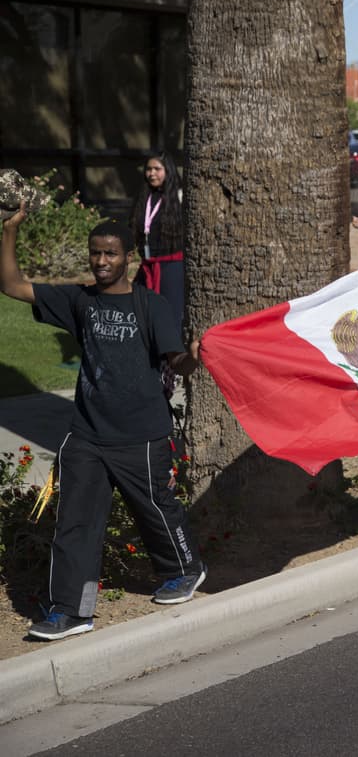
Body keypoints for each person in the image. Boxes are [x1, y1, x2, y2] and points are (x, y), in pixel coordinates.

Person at [2, 208, 206, 640]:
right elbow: (11, 285)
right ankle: (72, 611)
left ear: (128, 257)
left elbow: (178, 363)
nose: (100, 261)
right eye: (95, 254)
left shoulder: (151, 305)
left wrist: (194, 355)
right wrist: (11, 230)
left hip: (142, 435)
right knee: (75, 522)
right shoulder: (80, 299)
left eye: (110, 254)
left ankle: (184, 569)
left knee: (155, 510)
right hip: (87, 434)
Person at [130, 151, 186, 328]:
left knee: (171, 314)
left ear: (168, 171)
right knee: (140, 309)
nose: (152, 173)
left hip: (171, 266)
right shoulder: (144, 196)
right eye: (148, 169)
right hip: (148, 264)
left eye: (157, 169)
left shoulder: (179, 196)